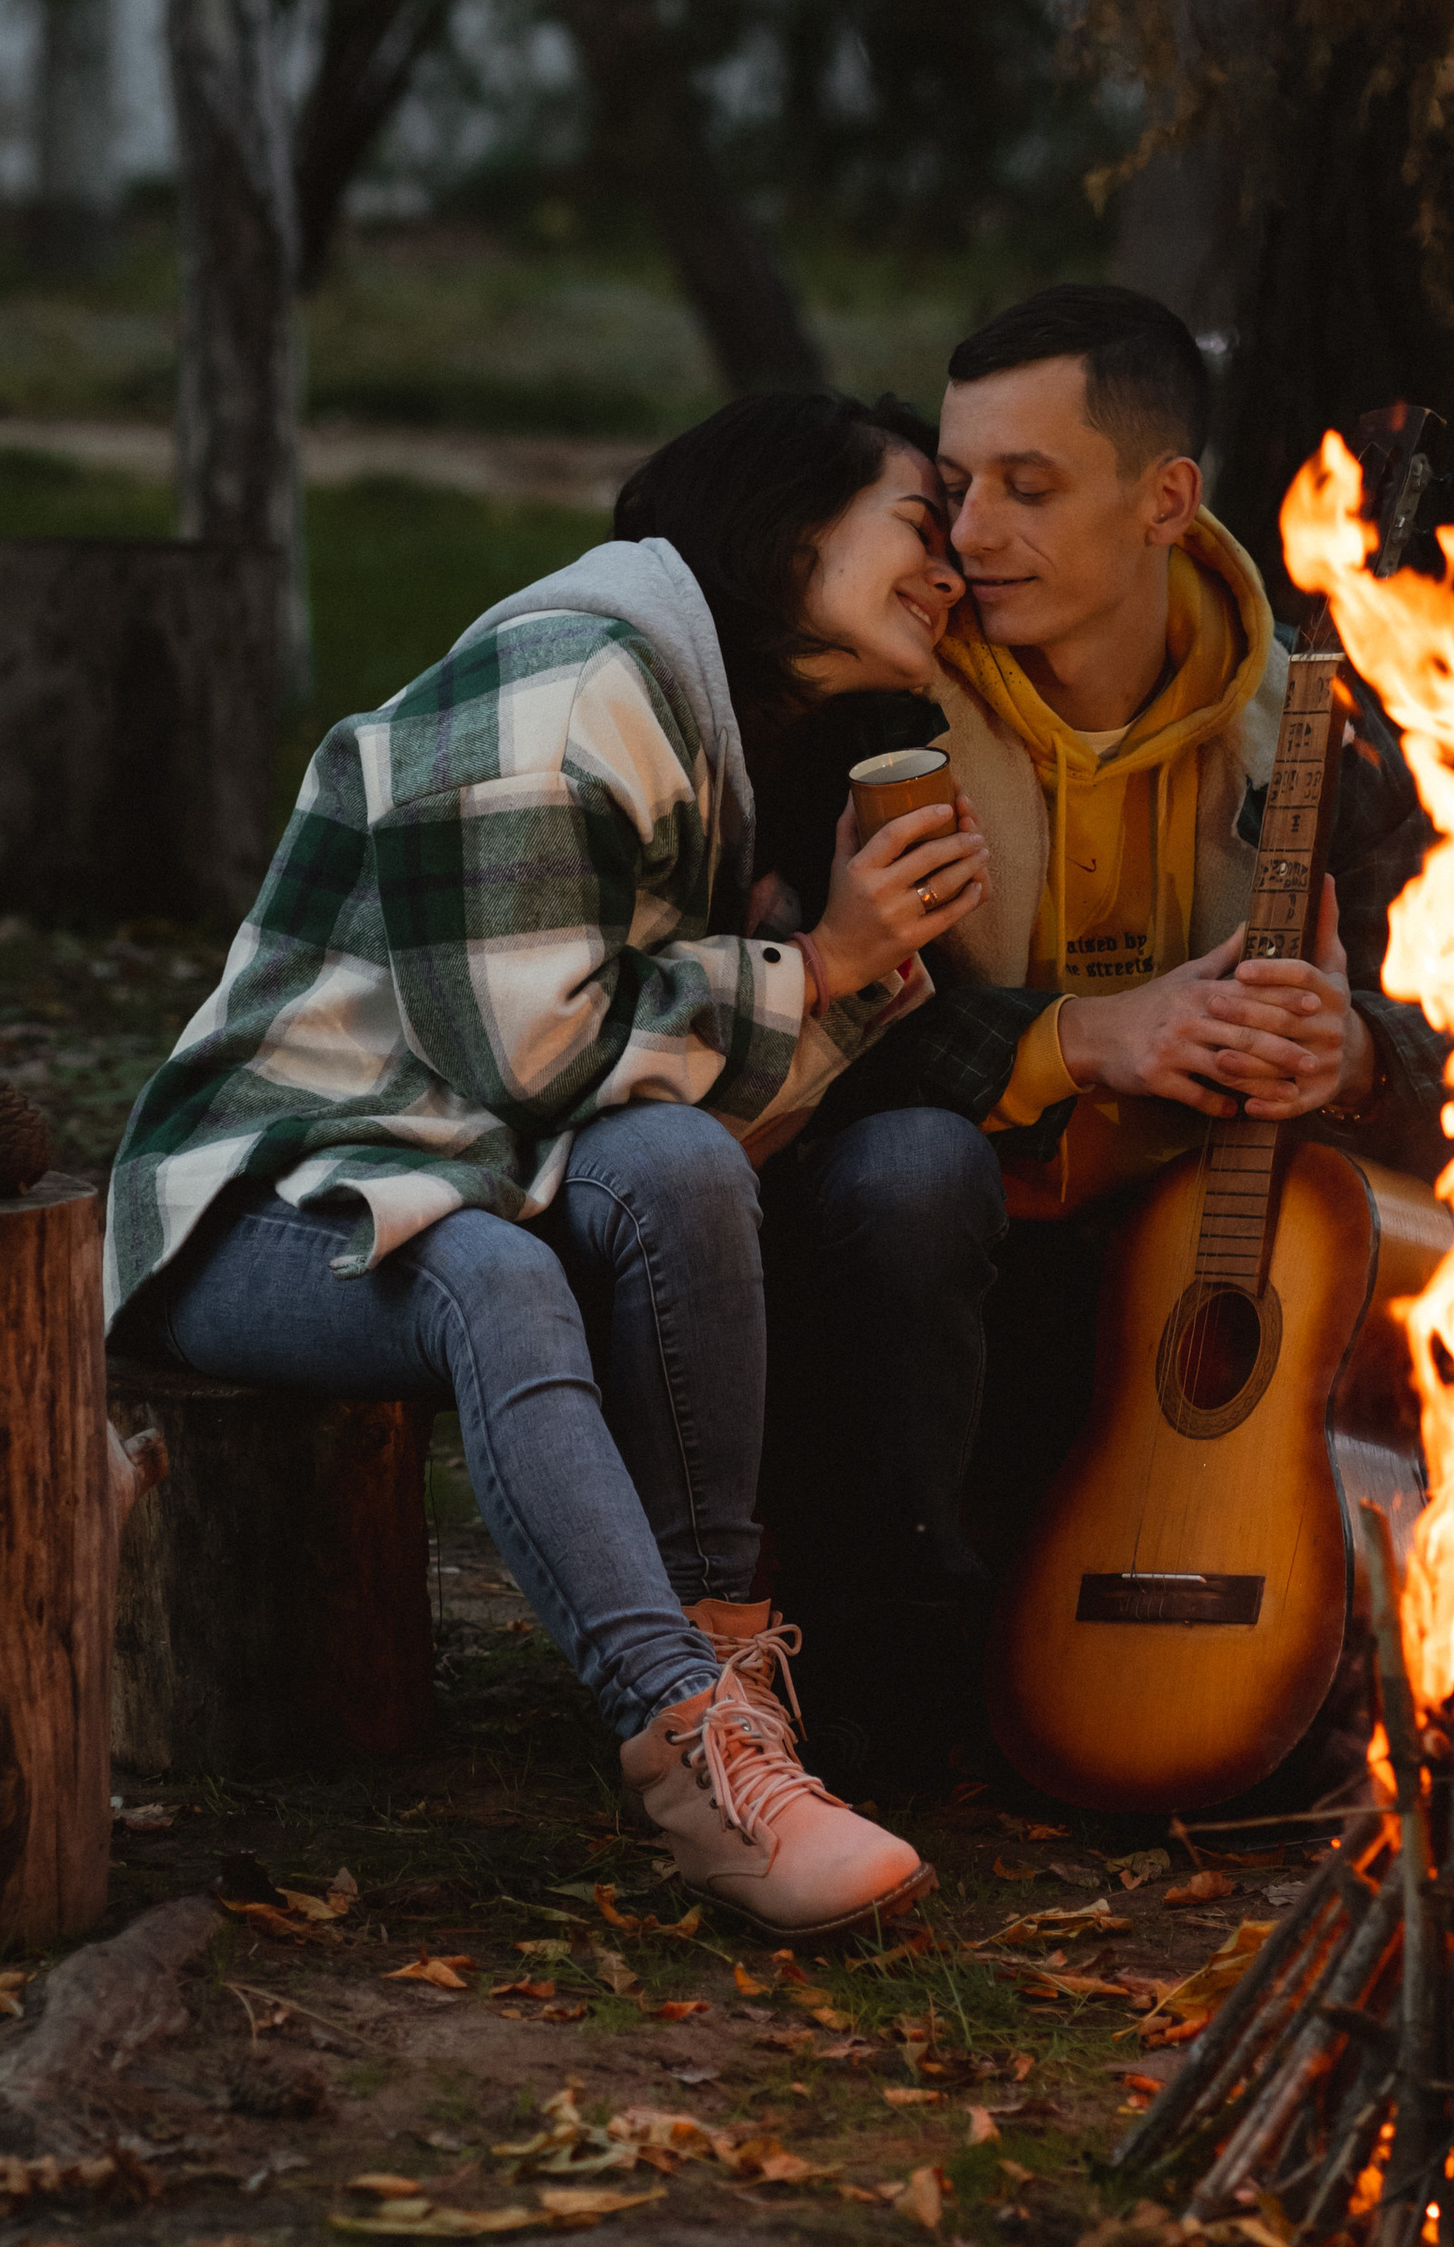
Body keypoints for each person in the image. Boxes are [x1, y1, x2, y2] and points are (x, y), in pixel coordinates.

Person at [103, 389, 992, 1940]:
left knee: (670, 1167)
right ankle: (689, 1751)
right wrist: (827, 964)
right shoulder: (564, 677)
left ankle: (729, 1679)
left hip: (460, 1170)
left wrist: (863, 970)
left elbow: (653, 1107)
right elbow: (532, 1058)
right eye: (923, 523)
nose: (955, 571)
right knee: (491, 1266)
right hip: (265, 1196)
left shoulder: (730, 733)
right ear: (791, 526)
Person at [758, 284, 1448, 1790]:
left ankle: (1352, 1645)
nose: (975, 533)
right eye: (954, 489)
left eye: (1031, 486)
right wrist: (1090, 1037)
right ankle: (887, 1672)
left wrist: (1354, 1054)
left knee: (1419, 1252)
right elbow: (820, 1046)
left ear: (1166, 500)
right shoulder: (885, 722)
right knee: (904, 1175)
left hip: (1193, 1331)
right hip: (945, 1303)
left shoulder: (1315, 735)